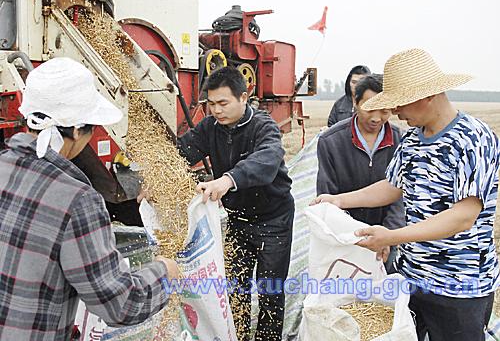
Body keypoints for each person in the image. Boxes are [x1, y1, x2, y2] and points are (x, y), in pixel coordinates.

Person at [313, 48, 499, 341]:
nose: (396, 113)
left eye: (400, 104)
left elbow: (463, 217)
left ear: (426, 96)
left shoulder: (473, 138)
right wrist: (339, 200)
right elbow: (392, 186)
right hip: (411, 279)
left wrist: (391, 237)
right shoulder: (413, 139)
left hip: (458, 287)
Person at [0, 58, 179, 340]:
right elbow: (120, 304)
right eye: (92, 127)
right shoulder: (77, 201)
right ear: (74, 130)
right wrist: (165, 272)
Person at [178, 66, 294, 341]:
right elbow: (183, 150)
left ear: (243, 97)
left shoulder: (263, 127)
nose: (216, 110)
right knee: (235, 288)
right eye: (211, 104)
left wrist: (227, 180)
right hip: (237, 219)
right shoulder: (210, 128)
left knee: (270, 290)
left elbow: (266, 160)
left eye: (223, 103)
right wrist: (156, 178)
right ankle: (238, 336)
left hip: (272, 220)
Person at [317, 74, 405, 273]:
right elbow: (328, 196)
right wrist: (352, 236)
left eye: (384, 110)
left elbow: (401, 197)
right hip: (347, 239)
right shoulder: (331, 141)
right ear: (355, 102)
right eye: (370, 109)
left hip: (387, 238)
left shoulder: (402, 141)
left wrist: (388, 236)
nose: (376, 118)